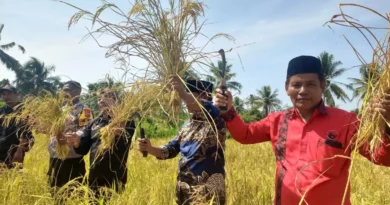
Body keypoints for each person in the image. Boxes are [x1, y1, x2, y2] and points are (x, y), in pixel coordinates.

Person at [213, 55, 390, 205]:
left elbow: (381, 157)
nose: (303, 91)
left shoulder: (347, 121)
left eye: (311, 84)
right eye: (296, 85)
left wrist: (387, 126)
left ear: (323, 86)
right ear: (287, 88)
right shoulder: (277, 121)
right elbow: (245, 135)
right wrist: (228, 110)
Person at [137, 76, 226, 205]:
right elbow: (170, 150)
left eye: (191, 95)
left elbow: (204, 106)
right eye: (185, 97)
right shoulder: (187, 125)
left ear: (205, 96)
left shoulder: (216, 116)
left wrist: (183, 93)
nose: (185, 101)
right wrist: (149, 148)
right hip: (184, 191)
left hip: (208, 193)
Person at [66, 88, 136, 204]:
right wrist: (76, 142)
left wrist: (116, 124)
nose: (101, 101)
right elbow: (83, 148)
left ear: (115, 100)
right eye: (99, 99)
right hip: (95, 173)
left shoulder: (125, 121)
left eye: (106, 97)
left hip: (116, 174)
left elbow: (126, 136)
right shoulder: (94, 123)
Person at [47, 80, 93, 196]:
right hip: (55, 156)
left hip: (72, 158)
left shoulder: (84, 110)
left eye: (67, 89)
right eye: (63, 90)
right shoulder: (60, 109)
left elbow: (85, 130)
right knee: (56, 193)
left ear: (78, 92)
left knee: (74, 194)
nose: (64, 92)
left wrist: (68, 139)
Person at [0, 84, 34, 169]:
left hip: (14, 150)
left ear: (16, 94)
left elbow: (25, 132)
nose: (6, 96)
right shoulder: (2, 110)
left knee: (15, 177)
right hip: (1, 148)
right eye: (3, 94)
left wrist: (19, 151)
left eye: (9, 93)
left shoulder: (24, 110)